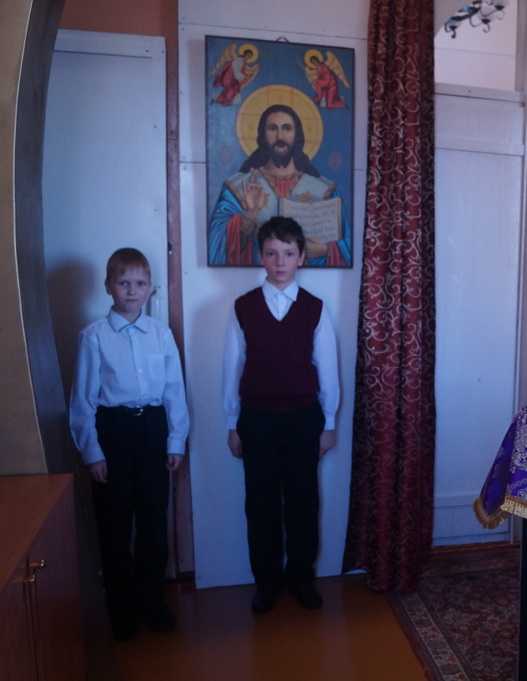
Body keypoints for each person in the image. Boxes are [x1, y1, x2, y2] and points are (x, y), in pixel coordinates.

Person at [69, 248, 189, 640]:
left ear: (150, 287)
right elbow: (83, 401)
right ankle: (120, 609)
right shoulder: (93, 337)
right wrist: (92, 452)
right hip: (113, 432)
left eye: (139, 283)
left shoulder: (161, 334)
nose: (132, 290)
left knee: (153, 522)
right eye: (123, 283)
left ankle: (151, 601)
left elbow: (174, 391)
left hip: (153, 429)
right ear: (109, 286)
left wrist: (175, 441)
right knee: (115, 524)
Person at [222, 216, 340, 614]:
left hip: (303, 420)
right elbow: (232, 368)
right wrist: (232, 423)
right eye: (272, 253)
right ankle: (267, 582)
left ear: (301, 257)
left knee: (303, 503)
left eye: (288, 254)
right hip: (256, 421)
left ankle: (301, 578)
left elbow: (328, 371)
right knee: (261, 504)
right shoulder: (243, 308)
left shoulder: (314, 309)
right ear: (261, 256)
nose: (280, 262)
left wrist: (329, 424)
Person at [208, 104, 353, 267]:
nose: (280, 136)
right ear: (263, 135)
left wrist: (328, 250)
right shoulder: (238, 187)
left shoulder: (325, 190)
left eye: (287, 128)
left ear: (297, 135)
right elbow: (217, 245)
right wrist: (249, 215)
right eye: (272, 128)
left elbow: (350, 244)